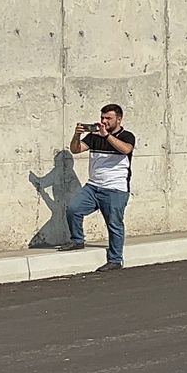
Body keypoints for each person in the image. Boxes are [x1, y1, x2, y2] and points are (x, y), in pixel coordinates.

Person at [61, 104, 136, 272]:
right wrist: (77, 134)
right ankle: (77, 240)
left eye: (108, 118)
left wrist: (106, 136)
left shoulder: (127, 136)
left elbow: (126, 149)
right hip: (93, 186)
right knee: (73, 209)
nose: (104, 121)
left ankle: (115, 260)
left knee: (114, 224)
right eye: (102, 117)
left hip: (115, 189)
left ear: (119, 119)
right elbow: (75, 149)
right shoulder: (94, 136)